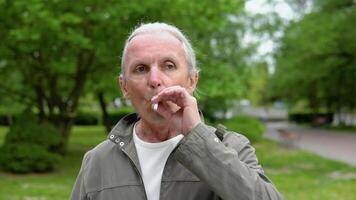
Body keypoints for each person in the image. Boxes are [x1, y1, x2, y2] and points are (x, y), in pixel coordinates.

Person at [71, 22, 283, 200]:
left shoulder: (232, 147)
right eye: (141, 69)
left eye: (169, 65)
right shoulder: (97, 161)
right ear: (124, 87)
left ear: (192, 80)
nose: (154, 80)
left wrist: (197, 138)